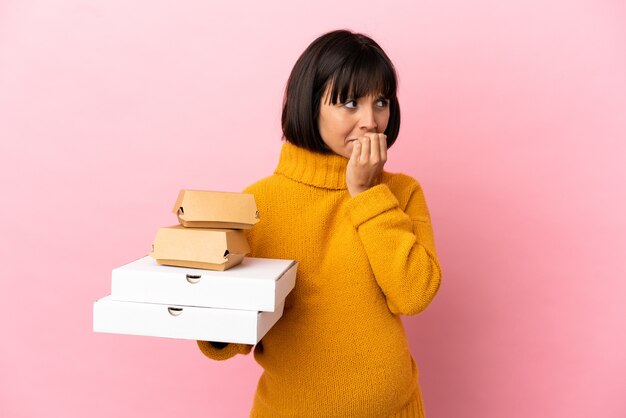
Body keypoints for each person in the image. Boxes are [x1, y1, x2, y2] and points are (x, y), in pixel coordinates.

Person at [197, 29, 442, 418]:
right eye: (349, 102)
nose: (371, 121)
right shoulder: (259, 204)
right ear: (310, 106)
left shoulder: (401, 192)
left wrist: (366, 194)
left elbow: (413, 294)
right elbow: (230, 340)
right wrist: (202, 295)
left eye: (381, 101)